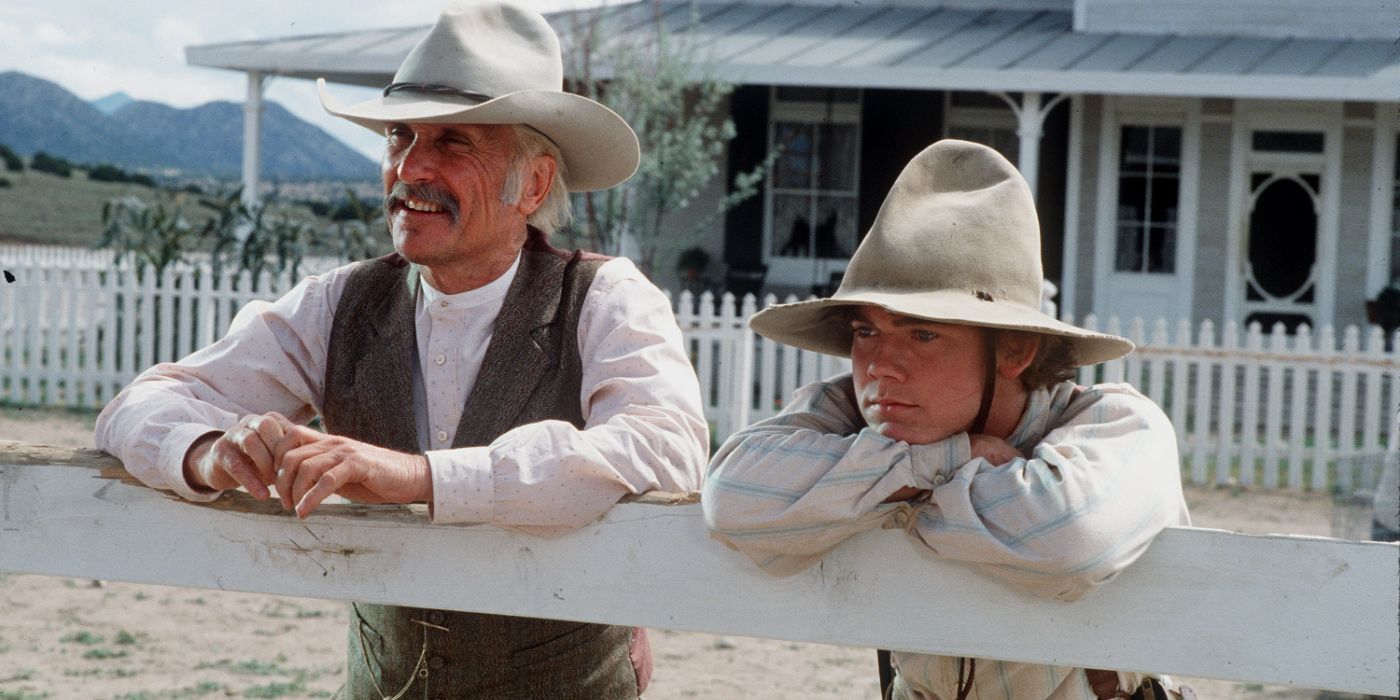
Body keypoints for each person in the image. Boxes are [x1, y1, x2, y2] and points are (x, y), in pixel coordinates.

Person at [94, 3, 707, 698]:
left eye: (454, 142)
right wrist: (210, 452)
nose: (410, 167)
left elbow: (667, 449)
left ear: (533, 184)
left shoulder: (603, 297)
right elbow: (136, 407)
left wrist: (421, 477)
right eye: (399, 136)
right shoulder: (340, 302)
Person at [702, 140, 1193, 700]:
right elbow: (732, 496)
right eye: (865, 331)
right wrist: (947, 460)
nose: (880, 366)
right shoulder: (859, 412)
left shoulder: (1117, 425)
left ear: (1014, 351)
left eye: (923, 333)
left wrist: (878, 489)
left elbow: (1065, 536)